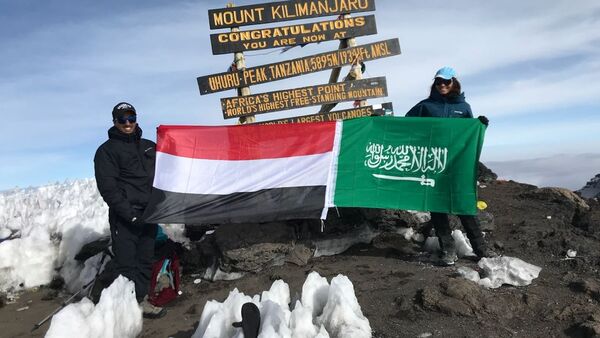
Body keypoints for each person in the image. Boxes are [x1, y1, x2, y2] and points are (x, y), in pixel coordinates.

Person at [406, 66, 497, 266]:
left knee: (464, 204)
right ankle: (448, 250)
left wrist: (480, 125)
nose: (442, 85)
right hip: (433, 163)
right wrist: (382, 124)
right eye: (438, 82)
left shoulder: (463, 107)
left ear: (453, 82)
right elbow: (406, 125)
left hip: (456, 164)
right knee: (437, 207)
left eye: (446, 82)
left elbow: (469, 135)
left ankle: (480, 249)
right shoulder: (426, 106)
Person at [92, 101, 165, 318]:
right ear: (115, 121)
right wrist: (130, 215)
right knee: (126, 265)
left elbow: (170, 169)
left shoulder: (149, 146)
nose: (127, 123)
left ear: (136, 119)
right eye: (122, 119)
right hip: (126, 218)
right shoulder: (106, 152)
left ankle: (140, 302)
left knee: (145, 260)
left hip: (150, 214)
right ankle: (124, 309)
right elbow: (109, 188)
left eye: (131, 118)